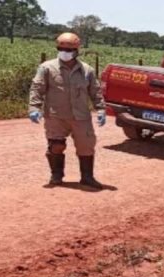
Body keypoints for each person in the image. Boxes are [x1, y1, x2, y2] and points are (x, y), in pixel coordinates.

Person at [28, 32, 106, 189]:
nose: (65, 52)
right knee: (56, 146)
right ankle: (56, 176)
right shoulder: (46, 68)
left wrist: (101, 109)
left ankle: (87, 177)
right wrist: (34, 107)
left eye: (69, 50)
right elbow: (37, 88)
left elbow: (95, 91)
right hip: (56, 116)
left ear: (77, 51)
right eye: (61, 48)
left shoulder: (87, 70)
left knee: (86, 147)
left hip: (81, 117)